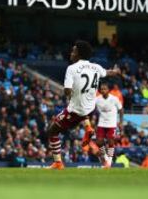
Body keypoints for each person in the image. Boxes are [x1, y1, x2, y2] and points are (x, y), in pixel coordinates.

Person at [47, 41, 120, 169]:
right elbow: (107, 73)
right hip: (90, 109)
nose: (71, 53)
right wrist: (115, 71)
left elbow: (67, 90)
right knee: (83, 108)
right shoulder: (96, 67)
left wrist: (70, 91)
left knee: (52, 131)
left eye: (74, 51)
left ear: (79, 54)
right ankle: (88, 128)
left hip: (75, 110)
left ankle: (58, 162)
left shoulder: (72, 68)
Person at [95, 82, 123, 168]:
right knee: (99, 142)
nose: (103, 90)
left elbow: (121, 110)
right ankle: (105, 157)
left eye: (105, 89)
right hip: (102, 123)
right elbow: (91, 109)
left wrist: (121, 122)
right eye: (102, 89)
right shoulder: (97, 99)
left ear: (108, 90)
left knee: (111, 142)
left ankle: (109, 161)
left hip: (112, 124)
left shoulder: (114, 99)